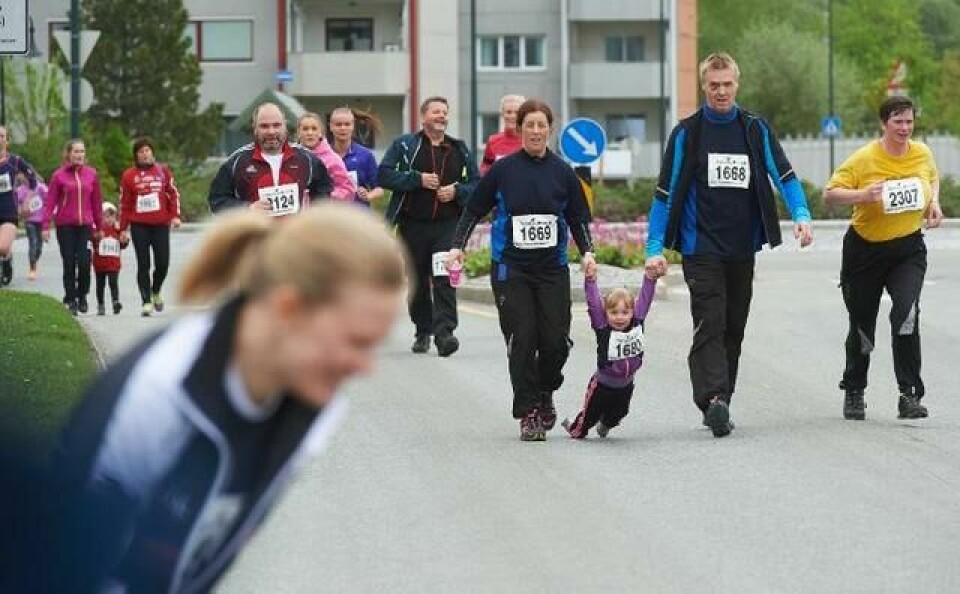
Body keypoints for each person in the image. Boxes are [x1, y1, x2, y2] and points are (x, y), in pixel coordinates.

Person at [45, 202, 407, 593]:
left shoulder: (314, 403)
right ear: (289, 309)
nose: (364, 367)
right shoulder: (156, 394)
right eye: (356, 342)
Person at [644, 52, 813, 438]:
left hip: (741, 247)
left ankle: (723, 399)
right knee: (710, 321)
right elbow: (663, 193)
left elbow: (785, 176)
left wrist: (801, 215)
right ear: (704, 86)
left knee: (733, 327)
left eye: (727, 84)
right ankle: (714, 399)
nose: (721, 91)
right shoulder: (688, 132)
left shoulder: (754, 129)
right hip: (699, 245)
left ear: (737, 84)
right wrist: (654, 247)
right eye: (713, 85)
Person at [446, 98, 597, 441]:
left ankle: (545, 390)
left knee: (556, 342)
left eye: (541, 125)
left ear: (549, 129)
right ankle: (528, 411)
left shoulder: (563, 172)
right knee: (522, 339)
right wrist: (458, 245)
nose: (535, 131)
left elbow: (578, 218)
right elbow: (473, 210)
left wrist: (588, 252)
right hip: (511, 269)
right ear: (520, 129)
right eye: (529, 125)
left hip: (552, 269)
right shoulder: (503, 169)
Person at [823, 96, 943, 421]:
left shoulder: (922, 153)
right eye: (897, 122)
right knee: (862, 323)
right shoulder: (865, 158)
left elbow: (931, 178)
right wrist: (863, 195)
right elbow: (830, 194)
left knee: (906, 315)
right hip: (865, 250)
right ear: (884, 124)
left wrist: (934, 203)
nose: (904, 128)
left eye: (909, 122)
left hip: (908, 250)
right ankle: (855, 389)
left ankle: (909, 395)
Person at [379, 96, 480, 356]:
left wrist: (457, 191)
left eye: (445, 113)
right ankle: (423, 329)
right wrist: (417, 179)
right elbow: (384, 174)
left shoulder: (460, 148)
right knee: (418, 282)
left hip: (447, 227)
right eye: (436, 112)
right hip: (413, 226)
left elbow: (477, 186)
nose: (442, 117)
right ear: (424, 117)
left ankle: (445, 334)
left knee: (444, 276)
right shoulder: (404, 145)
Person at [561, 271, 656, 439]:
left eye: (625, 313)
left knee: (619, 413)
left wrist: (650, 278)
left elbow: (645, 299)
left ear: (632, 312)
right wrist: (590, 280)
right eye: (614, 312)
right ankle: (575, 427)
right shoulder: (603, 326)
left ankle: (605, 424)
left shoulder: (637, 322)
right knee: (588, 419)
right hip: (602, 385)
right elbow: (593, 303)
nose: (619, 318)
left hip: (625, 385)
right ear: (606, 313)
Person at [208, 103, 333, 215]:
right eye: (264, 126)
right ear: (255, 128)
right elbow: (217, 201)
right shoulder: (237, 162)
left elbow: (324, 189)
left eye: (276, 125)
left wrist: (314, 215)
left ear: (285, 126)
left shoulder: (307, 159)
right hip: (255, 238)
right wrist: (248, 209)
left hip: (291, 238)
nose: (271, 131)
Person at [119, 136, 182, 317]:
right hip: (139, 226)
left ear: (152, 152)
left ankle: (156, 291)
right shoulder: (129, 176)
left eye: (147, 150)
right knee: (143, 264)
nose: (145, 154)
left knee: (163, 263)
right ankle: (146, 301)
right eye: (141, 152)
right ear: (136, 156)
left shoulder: (163, 171)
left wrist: (175, 216)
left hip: (160, 224)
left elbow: (173, 194)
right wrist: (123, 229)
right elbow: (125, 204)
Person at [42, 138, 105, 315]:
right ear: (69, 154)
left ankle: (82, 295)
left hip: (85, 226)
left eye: (82, 151)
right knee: (69, 263)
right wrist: (45, 226)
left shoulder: (92, 175)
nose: (79, 155)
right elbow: (50, 202)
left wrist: (99, 227)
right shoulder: (59, 176)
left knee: (85, 264)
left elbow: (96, 203)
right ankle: (71, 299)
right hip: (65, 227)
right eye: (76, 151)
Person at [0, 125, 39, 285]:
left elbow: (33, 180)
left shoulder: (14, 161)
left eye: (2, 136)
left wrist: (28, 200)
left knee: (2, 247)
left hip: (8, 212)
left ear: (7, 140)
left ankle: (7, 258)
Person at [329, 106, 384, 206]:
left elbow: (379, 189)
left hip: (358, 216)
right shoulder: (323, 156)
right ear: (331, 127)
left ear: (353, 126)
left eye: (347, 124)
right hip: (331, 215)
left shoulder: (365, 155)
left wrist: (368, 195)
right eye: (338, 124)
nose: (343, 128)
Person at [296, 112, 356, 201]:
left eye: (314, 129)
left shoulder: (333, 159)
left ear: (320, 133)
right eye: (305, 129)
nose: (310, 133)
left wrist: (326, 196)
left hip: (323, 211)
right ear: (298, 133)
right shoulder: (290, 157)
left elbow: (348, 189)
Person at [91, 202, 127, 316]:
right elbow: (91, 240)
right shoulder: (97, 231)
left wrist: (125, 241)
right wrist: (96, 237)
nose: (109, 219)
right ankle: (100, 304)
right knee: (100, 285)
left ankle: (115, 302)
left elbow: (122, 245)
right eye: (105, 217)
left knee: (113, 283)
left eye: (112, 216)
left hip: (113, 263)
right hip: (100, 263)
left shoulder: (118, 231)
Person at [480, 94, 525, 175]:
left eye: (517, 112)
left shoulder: (530, 141)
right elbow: (485, 169)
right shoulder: (492, 141)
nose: (512, 116)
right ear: (502, 114)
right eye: (508, 112)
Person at [15, 173, 48, 281]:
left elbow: (49, 201)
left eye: (24, 175)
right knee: (32, 243)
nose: (22, 178)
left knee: (39, 247)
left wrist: (48, 216)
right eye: (20, 175)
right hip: (29, 221)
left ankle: (34, 260)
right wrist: (20, 211)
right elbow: (17, 203)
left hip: (41, 220)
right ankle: (32, 268)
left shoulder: (41, 187)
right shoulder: (20, 190)